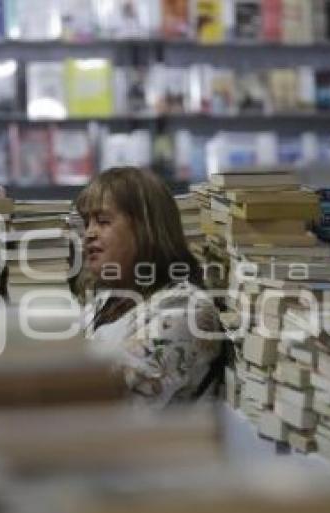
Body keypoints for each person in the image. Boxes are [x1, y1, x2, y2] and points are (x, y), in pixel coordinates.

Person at [76, 167, 223, 408]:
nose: (89, 234)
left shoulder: (186, 312)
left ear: (146, 228)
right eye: (86, 222)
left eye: (103, 221)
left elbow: (107, 403)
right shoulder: (108, 300)